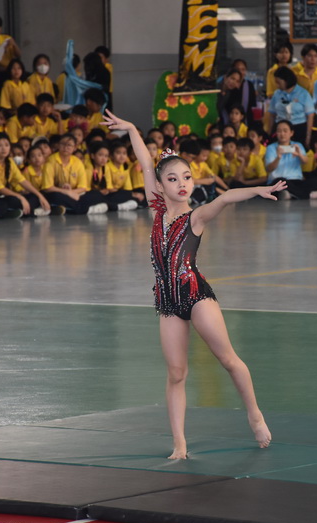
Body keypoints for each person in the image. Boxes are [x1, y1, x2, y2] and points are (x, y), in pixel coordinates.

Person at [102, 108, 276, 460]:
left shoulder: (195, 216)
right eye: (173, 179)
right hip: (168, 302)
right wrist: (132, 127)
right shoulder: (156, 209)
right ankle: (179, 442)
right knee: (176, 373)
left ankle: (254, 414)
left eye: (187, 177)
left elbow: (224, 198)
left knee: (228, 360)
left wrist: (260, 189)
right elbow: (145, 163)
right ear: (160, 185)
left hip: (196, 296)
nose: (182, 183)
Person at [264, 119, 317, 199]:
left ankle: (291, 194)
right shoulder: (271, 148)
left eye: (285, 131)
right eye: (279, 131)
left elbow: (305, 161)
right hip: (278, 180)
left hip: (296, 180)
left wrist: (299, 155)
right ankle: (309, 195)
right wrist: (278, 157)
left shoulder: (297, 145)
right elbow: (268, 169)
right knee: (281, 182)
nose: (282, 134)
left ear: (291, 133)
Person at [267, 66, 314, 147]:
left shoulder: (303, 93)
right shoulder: (277, 94)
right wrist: (269, 133)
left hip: (298, 128)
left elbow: (310, 116)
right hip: (280, 128)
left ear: (287, 80)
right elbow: (272, 114)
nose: (277, 85)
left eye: (279, 82)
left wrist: (308, 137)